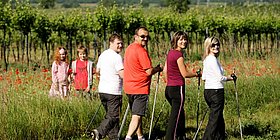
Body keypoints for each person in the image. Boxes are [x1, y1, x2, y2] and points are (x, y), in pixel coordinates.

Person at [123, 26, 162, 140]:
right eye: (142, 36)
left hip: (129, 87)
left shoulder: (129, 48)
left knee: (136, 114)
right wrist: (157, 69)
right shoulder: (141, 51)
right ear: (136, 37)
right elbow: (149, 71)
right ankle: (128, 137)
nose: (145, 39)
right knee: (137, 116)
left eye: (147, 37)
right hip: (140, 88)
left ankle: (140, 136)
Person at [163, 31, 200, 140]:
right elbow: (184, 74)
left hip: (169, 89)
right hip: (177, 89)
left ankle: (181, 135)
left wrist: (169, 83)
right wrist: (197, 74)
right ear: (175, 41)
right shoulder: (179, 55)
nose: (184, 41)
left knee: (180, 113)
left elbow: (165, 71)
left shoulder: (170, 53)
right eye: (181, 39)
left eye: (185, 39)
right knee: (175, 117)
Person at [201, 37, 235, 140]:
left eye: (217, 45)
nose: (216, 47)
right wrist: (231, 77)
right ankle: (207, 138)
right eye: (213, 45)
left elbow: (203, 78)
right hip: (216, 91)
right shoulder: (212, 60)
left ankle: (220, 137)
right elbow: (220, 77)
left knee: (218, 116)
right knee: (214, 119)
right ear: (208, 47)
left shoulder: (206, 59)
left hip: (208, 91)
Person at [91, 33, 124, 140]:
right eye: (118, 43)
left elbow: (97, 71)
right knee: (113, 116)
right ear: (111, 43)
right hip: (113, 91)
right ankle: (99, 132)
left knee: (111, 117)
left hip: (103, 90)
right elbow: (122, 74)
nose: (120, 45)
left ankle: (114, 137)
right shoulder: (117, 57)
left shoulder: (103, 55)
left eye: (121, 43)